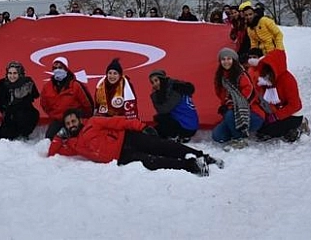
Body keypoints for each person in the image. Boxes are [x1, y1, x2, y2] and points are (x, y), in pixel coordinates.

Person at [48, 109, 223, 177]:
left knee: (164, 147)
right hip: (122, 156)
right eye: (68, 123)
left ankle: (203, 157)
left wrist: (141, 127)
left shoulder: (93, 121)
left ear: (79, 119)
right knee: (154, 162)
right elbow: (52, 153)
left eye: (73, 121)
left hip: (128, 138)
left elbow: (119, 121)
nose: (71, 125)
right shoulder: (73, 144)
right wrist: (59, 135)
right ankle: (191, 165)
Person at [211, 48, 265, 147]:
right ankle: (236, 129)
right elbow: (221, 96)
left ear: (234, 60)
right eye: (223, 59)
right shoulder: (220, 77)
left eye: (229, 59)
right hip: (233, 113)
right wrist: (225, 106)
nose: (226, 62)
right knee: (217, 136)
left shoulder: (241, 74)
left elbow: (248, 95)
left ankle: (240, 138)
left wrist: (230, 106)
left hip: (252, 113)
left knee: (229, 115)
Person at [254, 49, 311, 142]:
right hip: (275, 111)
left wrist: (276, 116)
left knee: (270, 131)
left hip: (292, 114)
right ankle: (287, 130)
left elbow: (294, 105)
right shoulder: (266, 80)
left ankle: (300, 124)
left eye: (270, 68)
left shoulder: (288, 80)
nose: (266, 71)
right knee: (261, 131)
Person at [40, 56, 94, 139]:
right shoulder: (47, 87)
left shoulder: (76, 85)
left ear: (66, 69)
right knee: (49, 138)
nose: (57, 70)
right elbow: (44, 104)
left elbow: (88, 104)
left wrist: (81, 118)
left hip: (74, 119)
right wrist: (54, 115)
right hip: (58, 119)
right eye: (55, 68)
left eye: (60, 67)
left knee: (80, 138)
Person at [148, 70, 199, 143]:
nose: (154, 84)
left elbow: (162, 110)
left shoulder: (176, 91)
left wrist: (153, 96)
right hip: (186, 122)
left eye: (156, 80)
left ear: (162, 79)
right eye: (152, 82)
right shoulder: (173, 87)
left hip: (187, 127)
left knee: (161, 118)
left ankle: (177, 136)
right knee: (158, 127)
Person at [0, 61, 40, 141]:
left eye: (15, 73)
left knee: (24, 118)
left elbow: (36, 95)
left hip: (25, 112)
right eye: (10, 73)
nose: (12, 76)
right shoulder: (2, 83)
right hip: (10, 114)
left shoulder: (27, 83)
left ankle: (24, 132)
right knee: (2, 137)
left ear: (20, 73)